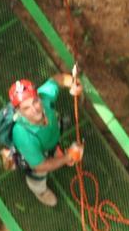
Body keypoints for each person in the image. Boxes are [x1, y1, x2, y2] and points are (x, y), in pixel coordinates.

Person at [5, 74, 84, 207]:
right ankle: (39, 190)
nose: (35, 110)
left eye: (35, 101)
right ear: (19, 111)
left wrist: (74, 83)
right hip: (35, 153)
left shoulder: (44, 97)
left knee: (53, 145)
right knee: (37, 172)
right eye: (26, 108)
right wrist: (67, 157)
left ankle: (56, 150)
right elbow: (40, 165)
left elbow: (57, 80)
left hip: (50, 138)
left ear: (38, 96)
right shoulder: (23, 135)